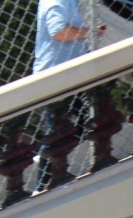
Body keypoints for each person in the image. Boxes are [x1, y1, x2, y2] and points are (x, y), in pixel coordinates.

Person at [33, 0, 106, 192]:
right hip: (56, 76)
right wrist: (89, 32)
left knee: (76, 125)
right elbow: (59, 32)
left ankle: (53, 179)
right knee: (56, 131)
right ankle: (43, 184)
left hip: (68, 75)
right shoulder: (57, 1)